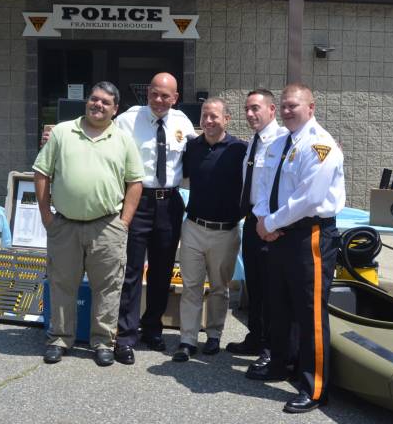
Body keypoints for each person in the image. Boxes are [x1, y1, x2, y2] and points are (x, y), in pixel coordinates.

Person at [247, 83, 345, 414]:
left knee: (309, 312)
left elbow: (310, 198)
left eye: (294, 106)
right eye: (285, 105)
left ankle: (314, 387)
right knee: (279, 305)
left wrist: (270, 224)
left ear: (311, 107)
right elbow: (264, 186)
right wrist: (263, 219)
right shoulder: (279, 143)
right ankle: (280, 364)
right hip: (278, 234)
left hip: (310, 236)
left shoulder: (319, 145)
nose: (288, 110)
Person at [33, 81, 144, 367]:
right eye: (94, 99)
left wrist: (125, 222)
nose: (98, 105)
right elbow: (42, 173)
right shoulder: (62, 132)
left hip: (107, 226)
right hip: (65, 225)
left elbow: (135, 182)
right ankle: (59, 338)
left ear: (115, 109)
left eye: (106, 102)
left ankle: (103, 342)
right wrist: (47, 217)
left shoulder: (123, 140)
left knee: (108, 287)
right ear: (87, 102)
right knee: (61, 284)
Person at [113, 73, 195, 365]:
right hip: (138, 201)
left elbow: (205, 149)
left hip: (170, 203)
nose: (159, 101)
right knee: (131, 271)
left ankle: (153, 328)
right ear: (148, 92)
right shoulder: (127, 120)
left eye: (166, 96)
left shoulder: (183, 123)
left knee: (162, 270)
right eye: (155, 94)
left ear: (175, 97)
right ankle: (124, 335)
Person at [172, 97, 247, 362]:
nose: (208, 121)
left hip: (225, 232)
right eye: (205, 116)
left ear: (227, 118)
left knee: (219, 287)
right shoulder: (192, 147)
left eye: (214, 116)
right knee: (191, 286)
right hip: (193, 227)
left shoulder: (240, 150)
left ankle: (214, 335)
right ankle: (187, 340)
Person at [226, 89, 288, 369]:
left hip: (273, 225)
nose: (250, 114)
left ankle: (270, 347)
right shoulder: (254, 142)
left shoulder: (283, 141)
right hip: (252, 221)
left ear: (272, 109)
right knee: (255, 284)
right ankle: (256, 336)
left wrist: (272, 222)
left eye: (255, 108)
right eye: (247, 109)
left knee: (272, 288)